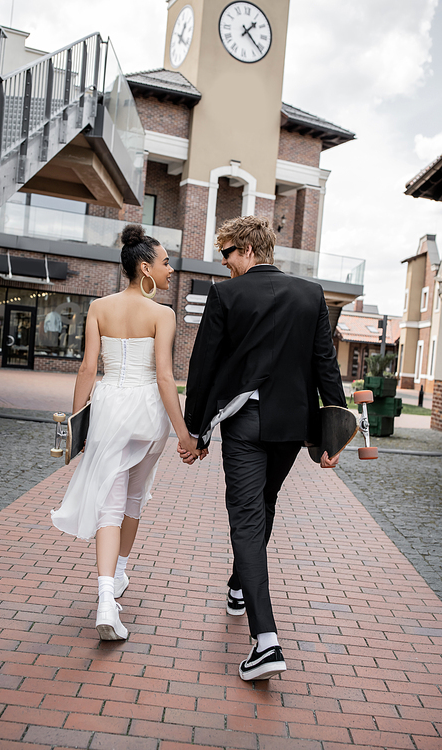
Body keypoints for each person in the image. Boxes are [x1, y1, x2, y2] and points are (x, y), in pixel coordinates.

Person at [179, 215, 346, 681]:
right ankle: (238, 586)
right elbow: (325, 367)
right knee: (263, 506)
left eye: (228, 253)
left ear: (249, 250)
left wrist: (195, 431)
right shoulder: (310, 294)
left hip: (245, 425)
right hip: (291, 427)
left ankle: (266, 642)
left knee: (248, 519)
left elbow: (203, 368)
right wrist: (331, 435)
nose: (225, 262)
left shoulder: (226, 295)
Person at [51, 224, 201, 641]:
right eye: (167, 263)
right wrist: (184, 434)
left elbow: (87, 368)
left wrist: (76, 421)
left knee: (109, 503)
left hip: (108, 408)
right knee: (134, 497)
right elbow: (166, 379)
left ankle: (106, 596)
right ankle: (115, 577)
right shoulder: (163, 314)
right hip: (147, 413)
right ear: (145, 267)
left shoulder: (99, 307)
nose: (171, 269)